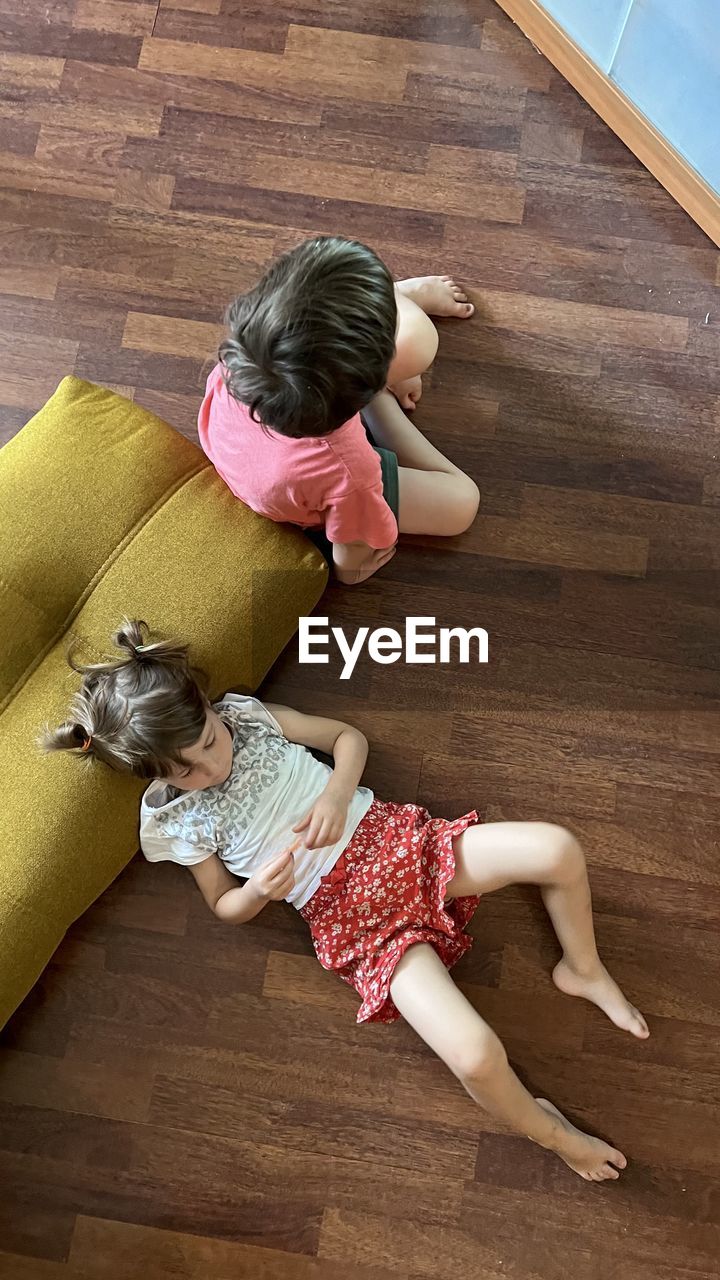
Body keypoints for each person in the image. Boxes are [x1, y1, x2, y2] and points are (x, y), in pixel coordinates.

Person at [43, 620, 649, 1182]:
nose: (212, 765)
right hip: (358, 923)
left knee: (558, 849)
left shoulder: (248, 719)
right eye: (187, 771)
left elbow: (346, 738)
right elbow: (222, 905)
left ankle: (583, 968)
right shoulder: (176, 819)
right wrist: (256, 892)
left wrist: (336, 794)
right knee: (476, 1055)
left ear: (207, 708)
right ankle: (550, 1133)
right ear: (158, 777)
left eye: (207, 740)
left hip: (402, 843)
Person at [198, 236, 480, 585]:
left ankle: (392, 308)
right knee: (462, 503)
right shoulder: (350, 471)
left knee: (410, 344)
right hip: (319, 479)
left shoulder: (245, 350)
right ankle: (383, 389)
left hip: (249, 449)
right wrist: (350, 571)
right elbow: (351, 541)